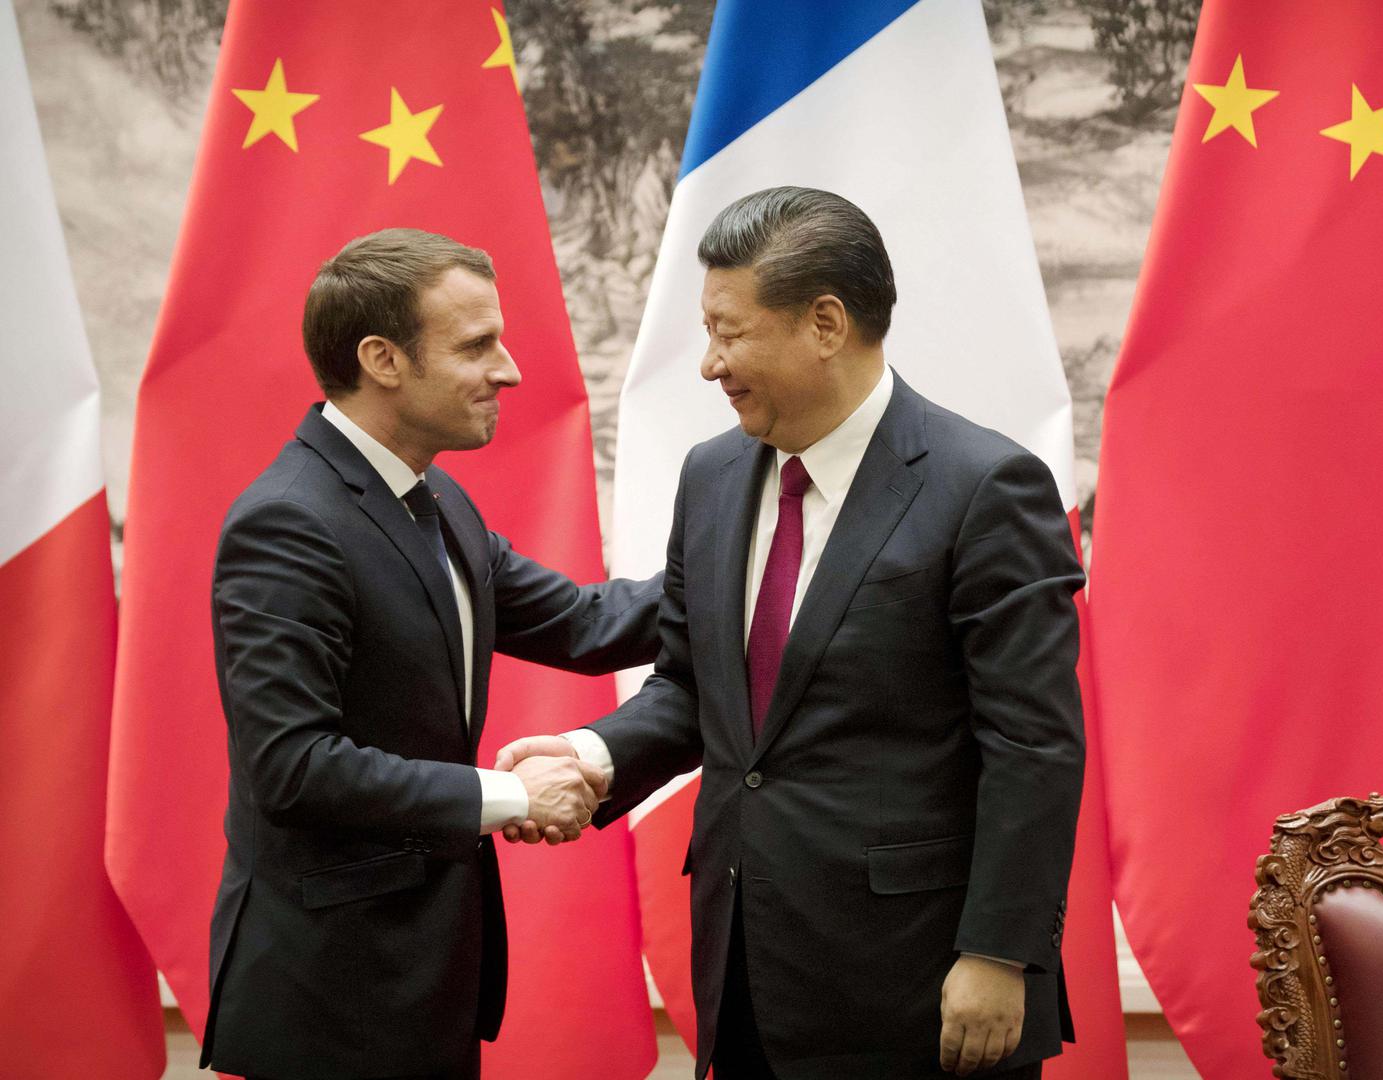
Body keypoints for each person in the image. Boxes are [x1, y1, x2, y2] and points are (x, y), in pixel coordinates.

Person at [500, 188, 1086, 1078]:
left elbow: (1032, 744)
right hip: (744, 967)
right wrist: (595, 755)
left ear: (825, 322)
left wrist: (1000, 953)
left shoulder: (983, 486)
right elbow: (697, 686)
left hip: (922, 982)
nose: (709, 364)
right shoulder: (714, 474)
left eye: (729, 333)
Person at [199, 228, 662, 1080]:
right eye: (477, 345)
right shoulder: (288, 523)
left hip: (424, 978)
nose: (510, 369)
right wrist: (510, 793)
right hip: (331, 1001)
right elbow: (293, 768)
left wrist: (762, 557)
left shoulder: (432, 494)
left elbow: (589, 624)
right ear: (383, 359)